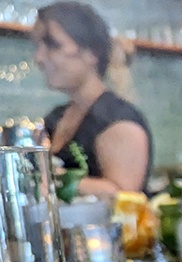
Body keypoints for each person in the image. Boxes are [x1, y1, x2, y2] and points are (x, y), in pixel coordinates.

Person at [33, 2, 152, 195]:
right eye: (37, 45)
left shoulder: (118, 120)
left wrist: (49, 179)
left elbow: (125, 197)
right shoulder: (56, 117)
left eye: (52, 45)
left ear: (91, 54)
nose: (39, 57)